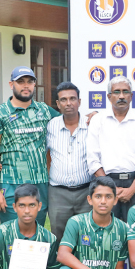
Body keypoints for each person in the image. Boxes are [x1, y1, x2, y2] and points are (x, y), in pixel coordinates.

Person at [0, 66, 60, 226]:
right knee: (13, 234)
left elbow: (69, 120)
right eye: (20, 82)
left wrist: (92, 116)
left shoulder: (44, 110)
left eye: (30, 81)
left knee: (36, 233)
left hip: (40, 183)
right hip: (11, 183)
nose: (26, 86)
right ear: (11, 84)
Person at [87, 75, 135, 222]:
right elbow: (93, 159)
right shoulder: (98, 120)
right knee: (108, 229)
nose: (121, 96)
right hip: (106, 182)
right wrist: (111, 188)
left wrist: (132, 189)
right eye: (116, 92)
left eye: (125, 92)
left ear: (132, 96)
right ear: (109, 96)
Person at [46, 81, 92, 240]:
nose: (68, 103)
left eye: (72, 99)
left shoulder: (91, 125)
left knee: (86, 236)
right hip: (58, 193)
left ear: (79, 101)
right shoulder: (50, 126)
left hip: (86, 191)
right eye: (63, 100)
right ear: (58, 104)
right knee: (58, 236)